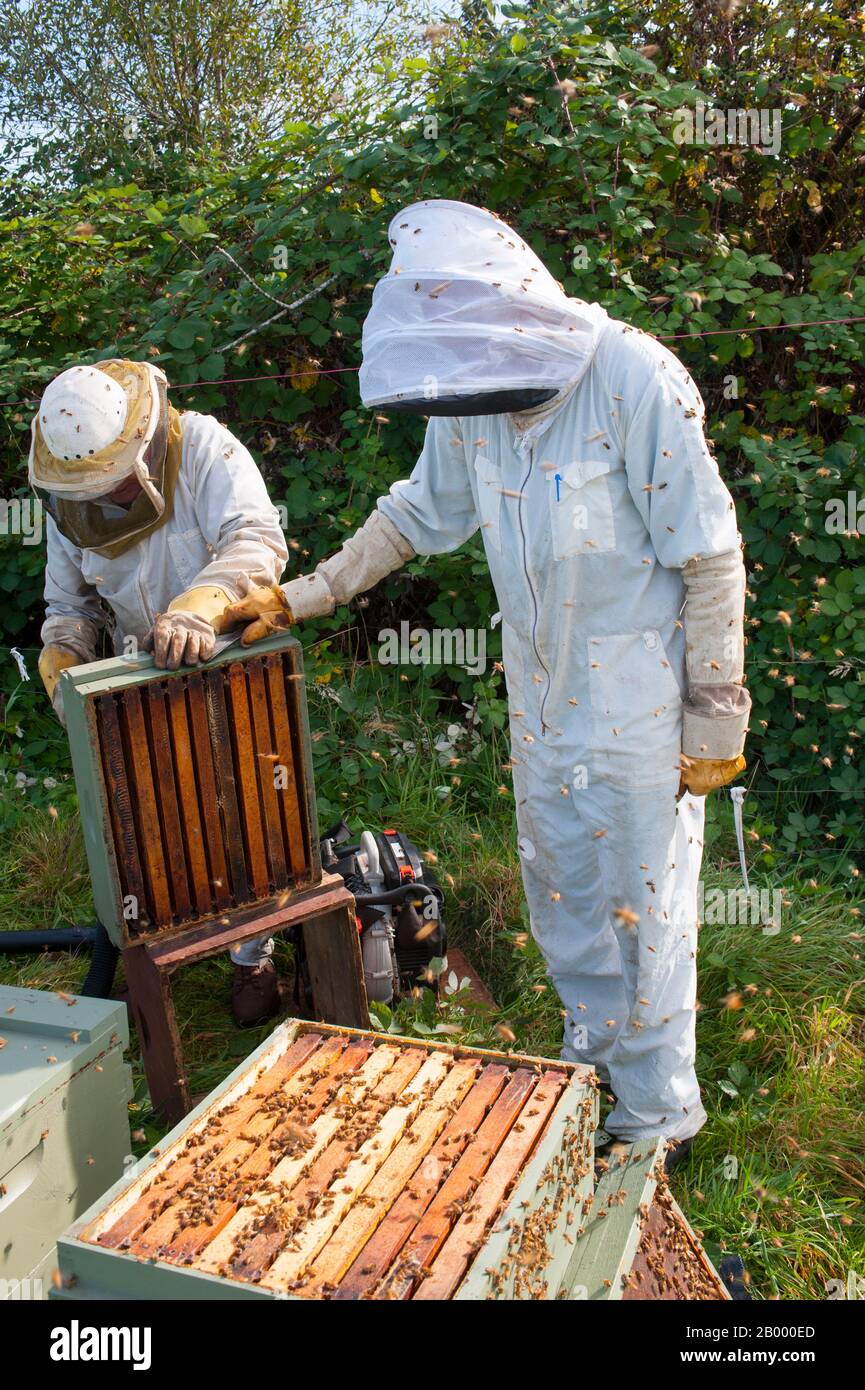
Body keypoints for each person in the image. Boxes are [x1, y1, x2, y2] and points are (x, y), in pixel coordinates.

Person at [217, 200, 751, 1168]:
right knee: (566, 904)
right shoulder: (473, 384)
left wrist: (713, 717)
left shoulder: (631, 374)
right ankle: (593, 1079)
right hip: (542, 700)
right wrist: (301, 595)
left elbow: (710, 554)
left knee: (645, 913)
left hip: (640, 701)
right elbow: (415, 514)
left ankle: (657, 1120)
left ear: (515, 314)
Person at [30, 357, 288, 1026]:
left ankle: (251, 959)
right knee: (151, 818)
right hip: (137, 673)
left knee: (248, 813)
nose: (103, 499)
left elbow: (256, 539)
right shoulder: (70, 499)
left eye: (110, 484)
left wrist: (200, 604)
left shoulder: (202, 445)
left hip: (230, 658)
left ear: (141, 446)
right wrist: (64, 653)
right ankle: (164, 953)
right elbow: (70, 601)